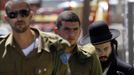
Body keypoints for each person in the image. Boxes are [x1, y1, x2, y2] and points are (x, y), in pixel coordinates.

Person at [0, 1, 70, 75]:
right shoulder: (1, 48)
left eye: (24, 13)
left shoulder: (55, 46)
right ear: (6, 19)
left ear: (31, 15)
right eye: (13, 14)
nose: (19, 18)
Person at [55, 11, 102, 75]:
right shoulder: (45, 56)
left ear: (80, 32)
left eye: (75, 29)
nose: (71, 34)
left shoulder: (89, 57)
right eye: (67, 29)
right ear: (57, 31)